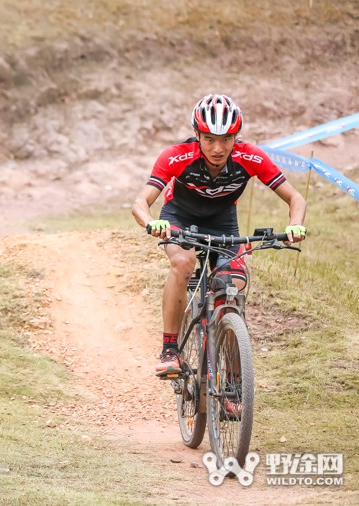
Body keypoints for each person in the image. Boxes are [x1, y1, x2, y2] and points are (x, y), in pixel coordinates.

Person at [131, 94, 307, 377]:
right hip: (180, 219)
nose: (218, 147)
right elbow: (140, 203)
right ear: (197, 135)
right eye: (210, 139)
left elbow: (295, 198)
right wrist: (152, 222)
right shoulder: (175, 156)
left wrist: (294, 225)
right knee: (183, 264)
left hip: (223, 223)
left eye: (226, 139)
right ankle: (170, 350)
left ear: (236, 137)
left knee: (232, 287)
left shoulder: (250, 157)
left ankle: (235, 381)